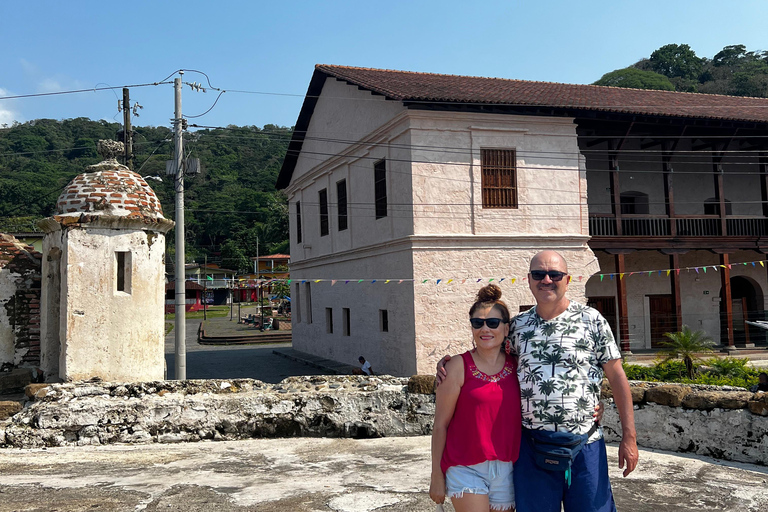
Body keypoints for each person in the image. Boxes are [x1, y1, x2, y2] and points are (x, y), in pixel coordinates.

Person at [438, 250, 637, 512]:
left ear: (567, 280)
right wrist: (449, 363)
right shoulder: (518, 326)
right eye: (538, 274)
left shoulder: (592, 320)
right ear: (529, 280)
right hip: (532, 448)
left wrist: (629, 437)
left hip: (585, 444)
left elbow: (617, 376)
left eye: (555, 274)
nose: (546, 280)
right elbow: (489, 356)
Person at [430, 284, 521, 512]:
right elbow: (440, 425)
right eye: (477, 323)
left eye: (493, 323)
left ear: (506, 328)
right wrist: (436, 475)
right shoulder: (456, 367)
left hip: (508, 469)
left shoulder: (519, 366)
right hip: (465, 467)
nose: (485, 329)